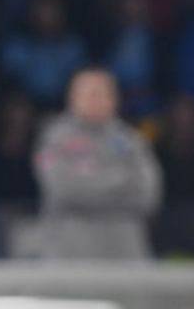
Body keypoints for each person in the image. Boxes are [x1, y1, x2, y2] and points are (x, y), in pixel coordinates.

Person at [33, 67, 162, 259]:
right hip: (70, 258)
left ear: (115, 98)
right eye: (89, 93)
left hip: (125, 257)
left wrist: (89, 183)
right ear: (72, 97)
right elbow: (61, 189)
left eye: (102, 93)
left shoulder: (132, 140)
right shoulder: (54, 139)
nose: (95, 100)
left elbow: (149, 194)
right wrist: (120, 181)